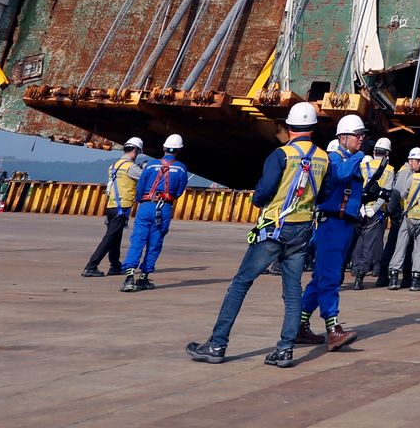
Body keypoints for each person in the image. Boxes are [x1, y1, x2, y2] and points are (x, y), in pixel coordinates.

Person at [186, 102, 328, 368]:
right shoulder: (324, 158)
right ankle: (285, 350)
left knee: (240, 284)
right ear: (312, 128)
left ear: (288, 127)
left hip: (274, 229)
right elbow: (324, 194)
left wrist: (262, 200)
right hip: (303, 230)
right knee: (293, 291)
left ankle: (217, 344)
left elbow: (264, 192)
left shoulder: (281, 155)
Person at [294, 115, 368, 353]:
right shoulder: (334, 158)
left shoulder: (347, 158)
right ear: (343, 137)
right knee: (331, 277)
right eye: (357, 135)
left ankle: (300, 324)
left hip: (343, 225)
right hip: (332, 225)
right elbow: (340, 176)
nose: (362, 139)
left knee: (321, 278)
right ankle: (332, 328)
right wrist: (358, 156)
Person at [124, 132, 190, 291]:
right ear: (179, 150)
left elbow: (140, 188)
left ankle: (129, 278)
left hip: (146, 205)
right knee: (155, 243)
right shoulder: (181, 168)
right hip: (164, 207)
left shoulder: (151, 165)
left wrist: (142, 202)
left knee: (137, 241)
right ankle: (144, 278)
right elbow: (179, 191)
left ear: (164, 148)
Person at [82, 137, 145, 277]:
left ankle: (115, 265)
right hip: (122, 207)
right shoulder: (131, 167)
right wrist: (145, 168)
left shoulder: (114, 166)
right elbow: (145, 178)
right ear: (135, 150)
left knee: (116, 236)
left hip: (111, 205)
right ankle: (91, 266)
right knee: (110, 237)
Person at [348, 138, 394, 289]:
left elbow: (354, 188)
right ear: (387, 154)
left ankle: (343, 272)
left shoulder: (362, 165)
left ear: (374, 152)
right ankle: (359, 280)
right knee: (368, 247)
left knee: (351, 243)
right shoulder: (389, 169)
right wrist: (374, 209)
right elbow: (386, 194)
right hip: (374, 213)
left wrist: (359, 207)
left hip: (358, 210)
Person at [388, 146, 420, 290]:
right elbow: (399, 193)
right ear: (410, 160)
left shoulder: (412, 174)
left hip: (408, 217)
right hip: (408, 217)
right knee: (417, 249)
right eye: (417, 161)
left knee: (400, 247)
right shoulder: (407, 172)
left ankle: (394, 278)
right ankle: (414, 280)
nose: (419, 163)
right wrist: (394, 213)